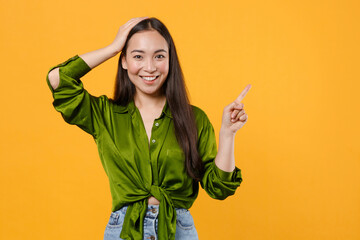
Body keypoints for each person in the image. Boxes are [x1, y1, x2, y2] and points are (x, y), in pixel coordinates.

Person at [46, 17, 250, 240]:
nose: (150, 67)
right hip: (124, 229)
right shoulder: (105, 115)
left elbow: (218, 188)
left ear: (170, 60)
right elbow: (58, 79)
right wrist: (113, 48)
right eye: (138, 56)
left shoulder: (194, 119)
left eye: (159, 56)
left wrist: (227, 134)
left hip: (178, 230)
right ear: (124, 61)